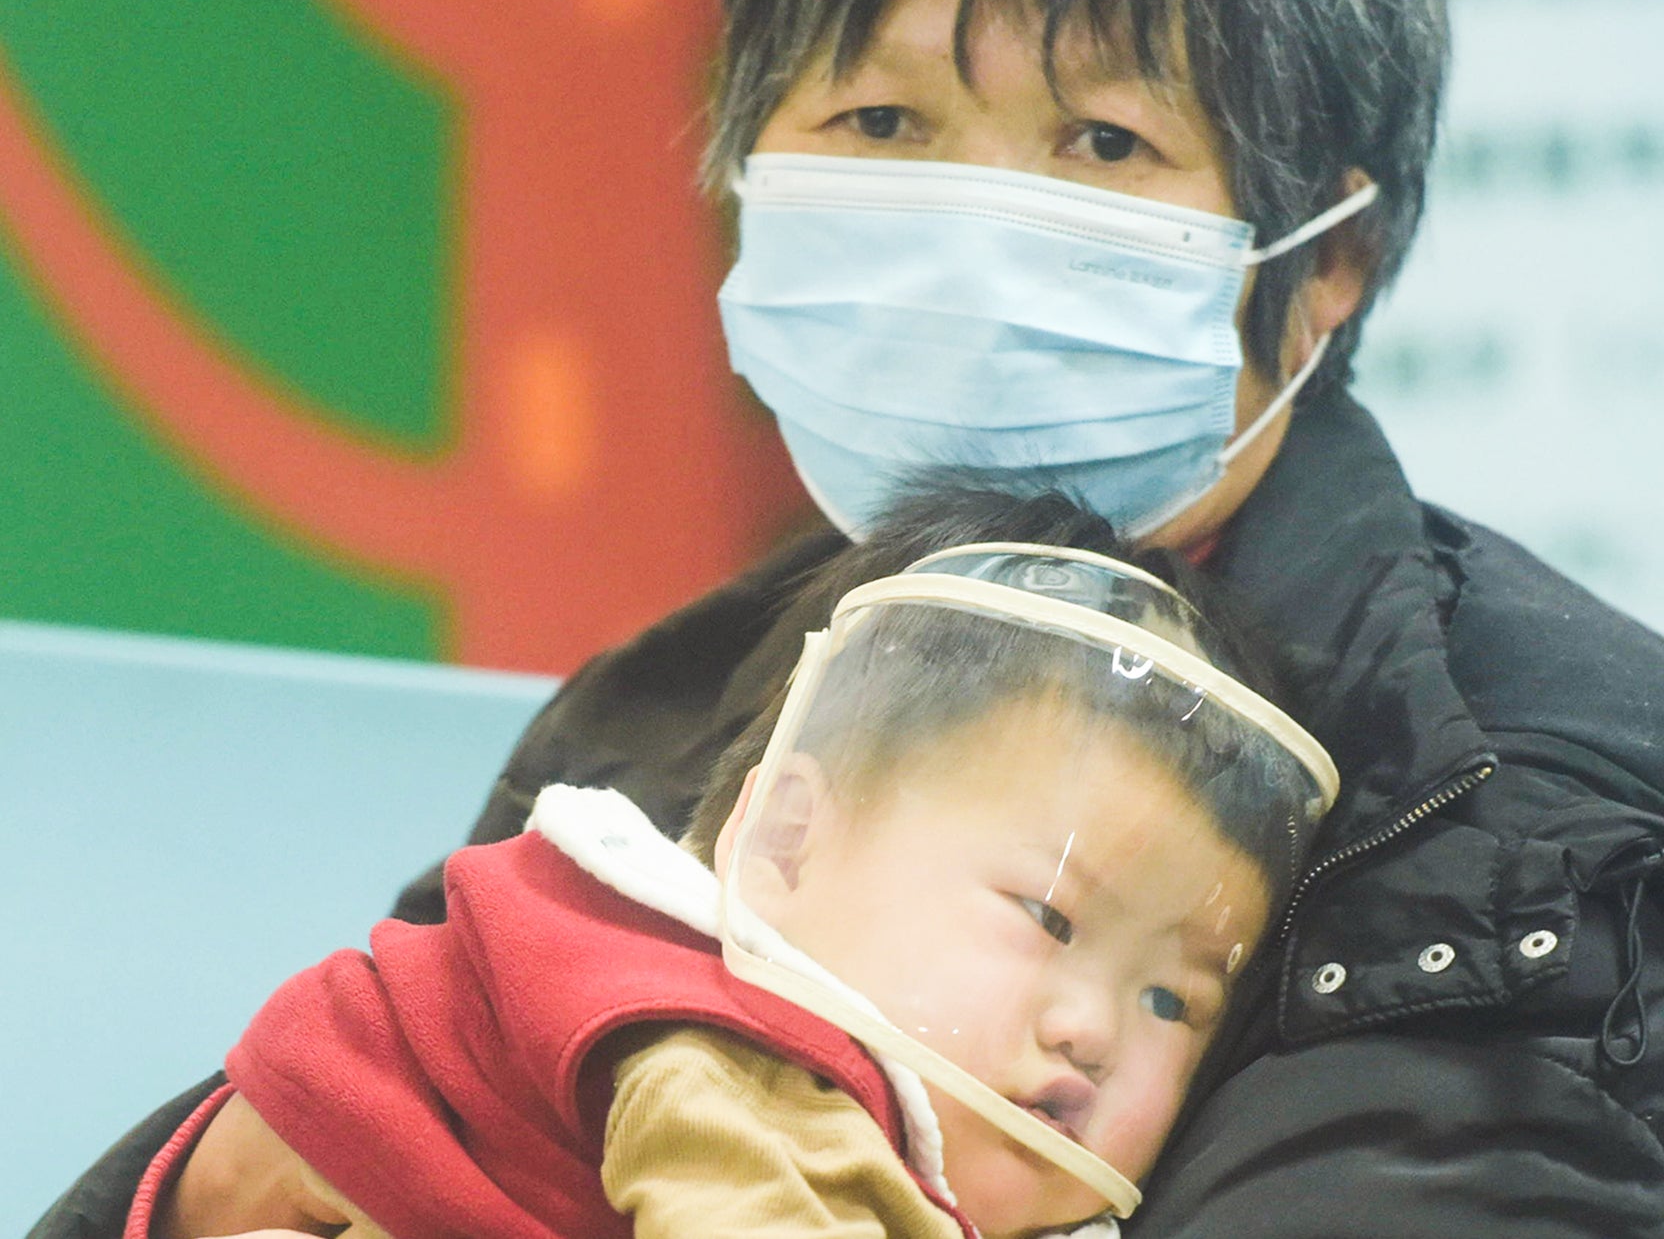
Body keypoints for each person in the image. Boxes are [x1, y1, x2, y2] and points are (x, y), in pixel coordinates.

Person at [33, 0, 1664, 1237]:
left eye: (1105, 145)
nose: (970, 214)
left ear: (1319, 276)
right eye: (880, 116)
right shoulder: (678, 704)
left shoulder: (1498, 828)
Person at [134, 492, 1337, 1239]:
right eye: (1050, 916)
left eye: (1172, 998)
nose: (1093, 1030)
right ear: (790, 841)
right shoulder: (725, 1044)